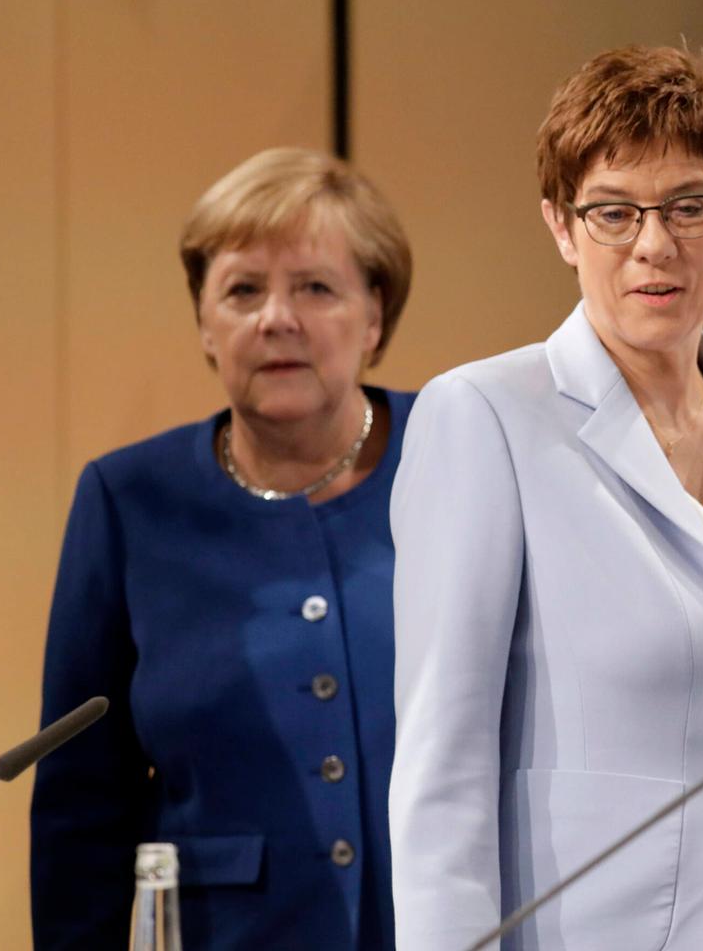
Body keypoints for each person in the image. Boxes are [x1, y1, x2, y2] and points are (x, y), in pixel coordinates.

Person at [388, 45, 703, 950]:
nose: (654, 244)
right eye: (614, 212)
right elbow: (442, 767)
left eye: (688, 206)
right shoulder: (486, 417)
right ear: (562, 227)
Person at [31, 147, 415, 948]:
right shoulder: (128, 500)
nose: (277, 317)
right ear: (205, 324)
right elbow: (80, 803)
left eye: (315, 286)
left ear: (374, 313)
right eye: (243, 290)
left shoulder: (458, 453)